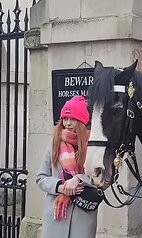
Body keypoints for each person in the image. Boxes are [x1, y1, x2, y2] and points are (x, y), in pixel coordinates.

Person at [36, 96, 97, 238]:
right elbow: (41, 177)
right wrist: (60, 187)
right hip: (56, 214)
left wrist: (79, 179)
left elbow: (102, 179)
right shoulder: (54, 144)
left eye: (73, 119)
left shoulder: (93, 146)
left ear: (82, 121)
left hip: (83, 215)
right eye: (65, 119)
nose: (68, 123)